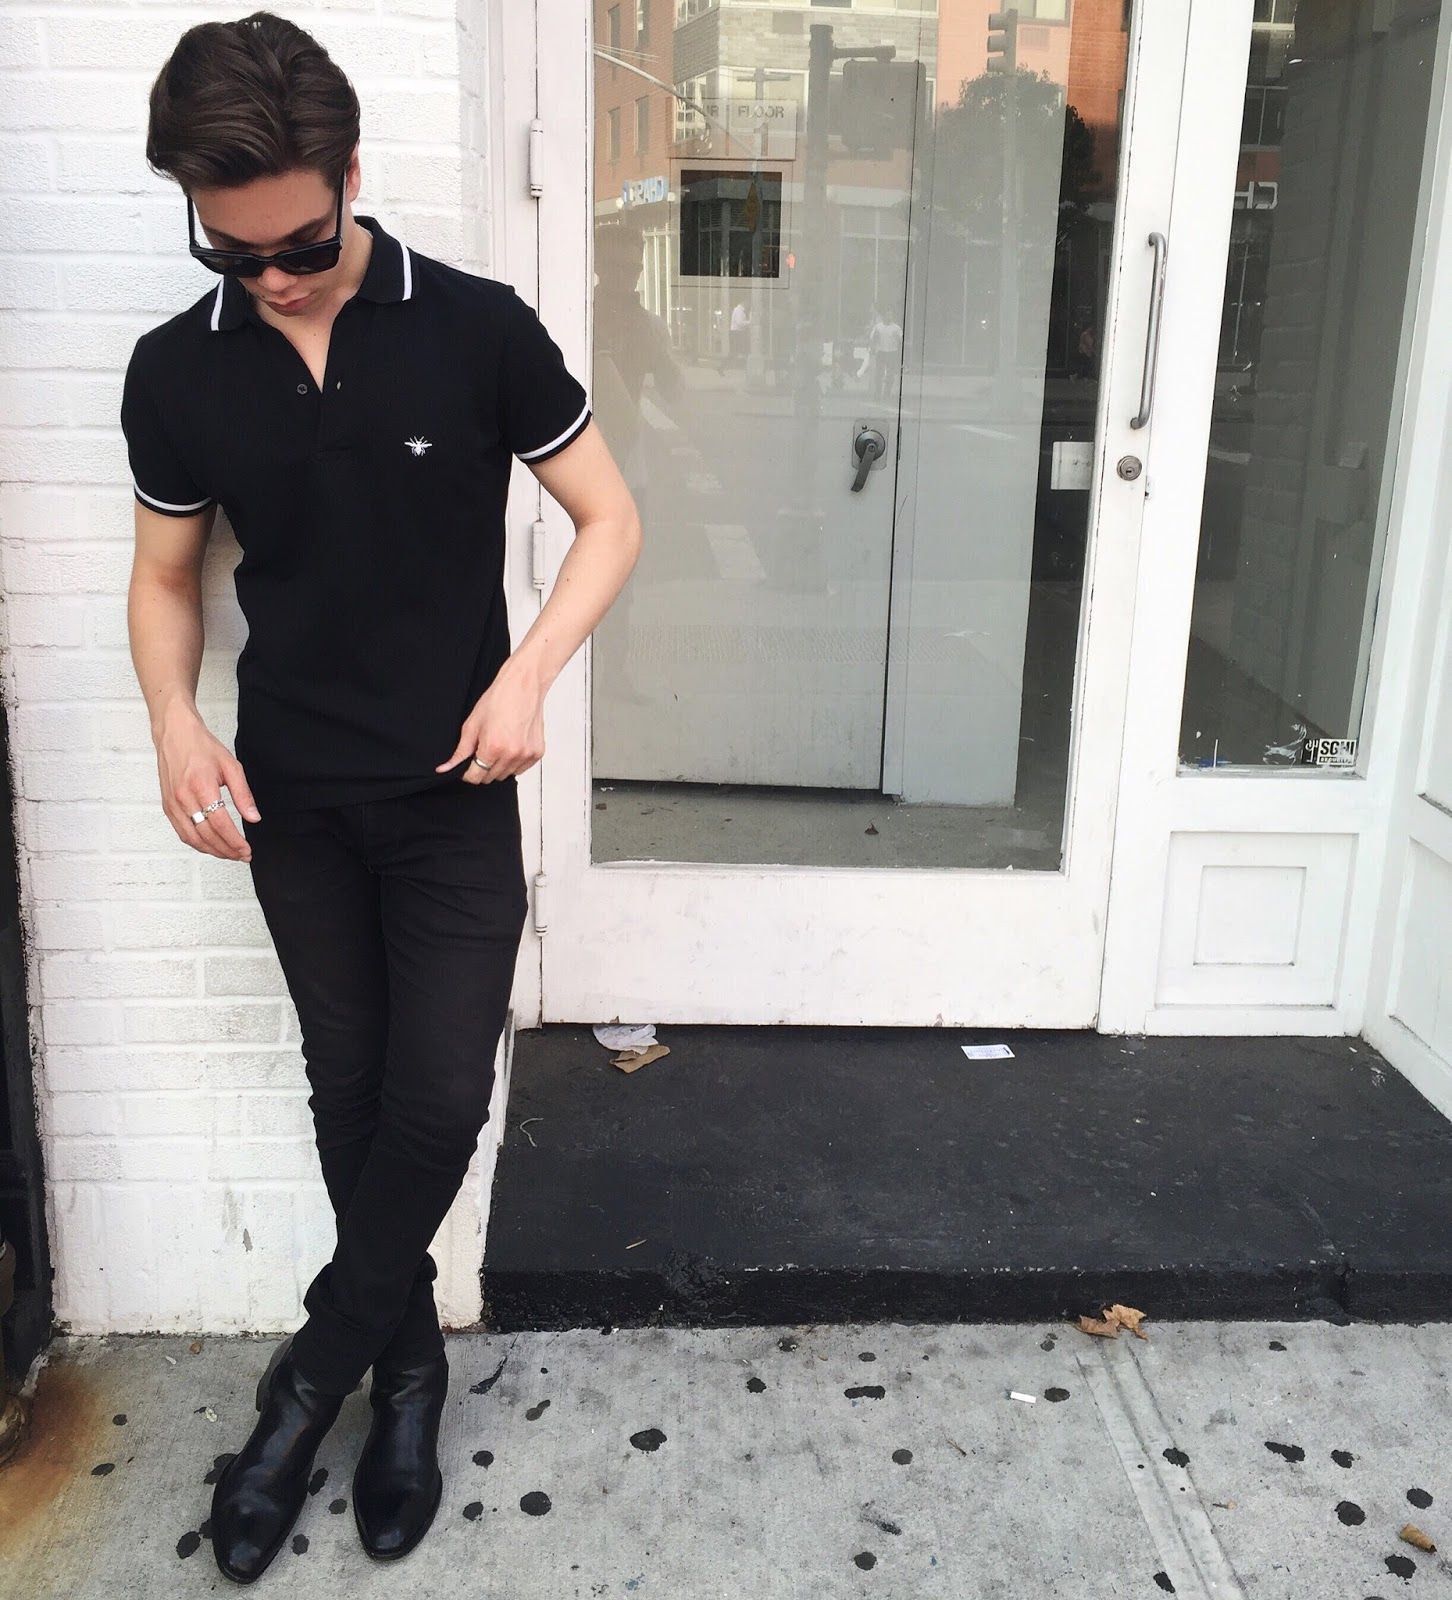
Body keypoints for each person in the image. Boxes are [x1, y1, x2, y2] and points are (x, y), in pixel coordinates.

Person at [121, 12, 640, 1583]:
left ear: (353, 175)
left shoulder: (474, 329)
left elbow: (610, 520)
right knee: (347, 1097)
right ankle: (406, 1379)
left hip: (452, 790)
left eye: (299, 243)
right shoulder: (177, 371)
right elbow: (165, 578)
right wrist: (173, 723)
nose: (272, 279)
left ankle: (304, 1389)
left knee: (437, 1103)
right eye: (233, 254)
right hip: (291, 800)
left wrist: (527, 675)